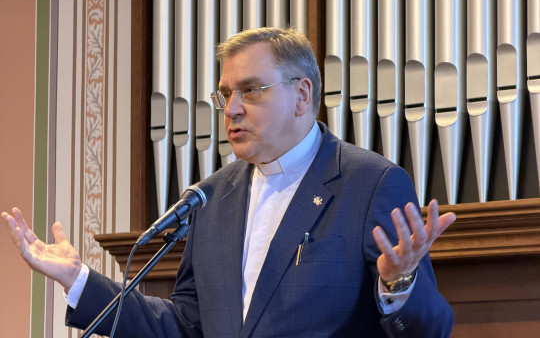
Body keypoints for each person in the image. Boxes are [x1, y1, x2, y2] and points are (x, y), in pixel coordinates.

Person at [2, 27, 456, 337]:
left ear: (302, 95)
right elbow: (183, 326)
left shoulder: (370, 183)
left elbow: (433, 329)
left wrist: (398, 284)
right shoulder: (212, 196)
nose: (232, 109)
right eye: (225, 94)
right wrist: (79, 280)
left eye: (251, 90)